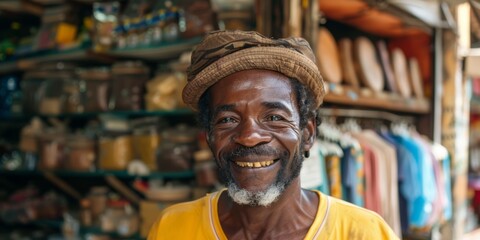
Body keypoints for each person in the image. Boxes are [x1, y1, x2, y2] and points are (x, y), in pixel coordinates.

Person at [148, 30, 399, 240]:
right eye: (228, 120)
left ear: (308, 134)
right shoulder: (172, 228)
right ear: (210, 137)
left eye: (274, 118)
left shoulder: (363, 233)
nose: (249, 136)